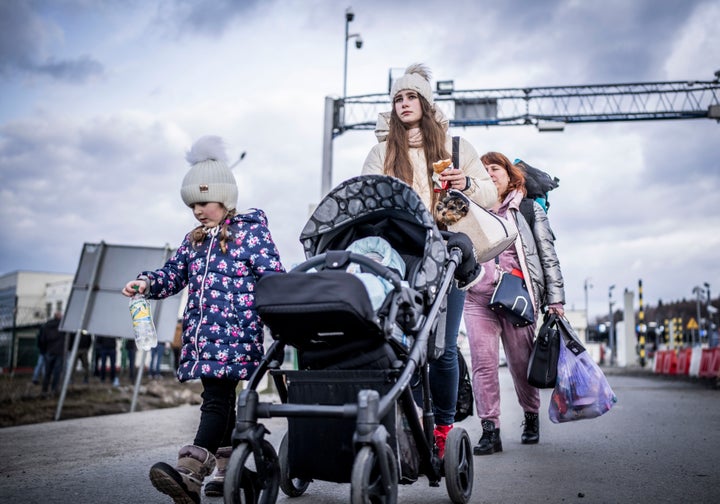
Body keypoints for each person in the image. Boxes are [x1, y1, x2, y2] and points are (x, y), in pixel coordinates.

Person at [121, 135, 285, 503]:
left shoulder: (250, 234)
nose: (197, 210)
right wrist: (146, 283)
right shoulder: (193, 240)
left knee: (215, 399)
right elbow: (173, 274)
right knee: (221, 400)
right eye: (192, 204)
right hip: (203, 336)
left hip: (236, 335)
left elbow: (273, 278)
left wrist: (282, 320)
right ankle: (228, 472)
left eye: (204, 202)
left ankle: (190, 472)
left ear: (225, 199)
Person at [362, 63, 497, 458]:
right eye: (398, 99)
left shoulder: (457, 149)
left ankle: (442, 428)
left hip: (447, 254)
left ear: (425, 103)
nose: (404, 104)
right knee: (398, 344)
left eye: (410, 97)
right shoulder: (380, 153)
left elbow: (489, 197)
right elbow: (368, 202)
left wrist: (466, 184)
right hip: (399, 254)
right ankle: (406, 418)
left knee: (442, 348)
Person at [463, 151, 565, 455]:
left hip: (516, 295)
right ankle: (489, 430)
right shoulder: (468, 209)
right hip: (477, 297)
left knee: (522, 364)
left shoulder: (529, 210)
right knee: (482, 365)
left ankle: (531, 416)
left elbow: (547, 255)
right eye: (483, 170)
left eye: (495, 168)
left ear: (510, 175)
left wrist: (556, 300)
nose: (490, 173)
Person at [39, 311, 67, 395]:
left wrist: (43, 350)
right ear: (59, 317)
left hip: (49, 351)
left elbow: (42, 339)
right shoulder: (63, 326)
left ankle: (44, 390)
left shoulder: (47, 325)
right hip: (59, 351)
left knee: (47, 372)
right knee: (57, 373)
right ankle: (54, 390)